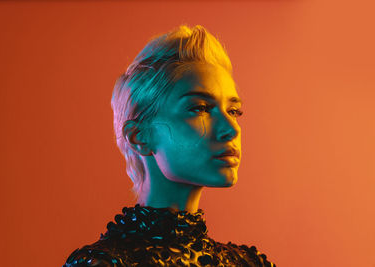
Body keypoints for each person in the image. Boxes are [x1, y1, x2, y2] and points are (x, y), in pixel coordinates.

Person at [63, 25, 276, 267]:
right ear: (139, 136)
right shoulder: (104, 263)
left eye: (234, 111)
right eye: (200, 108)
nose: (232, 129)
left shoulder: (249, 263)